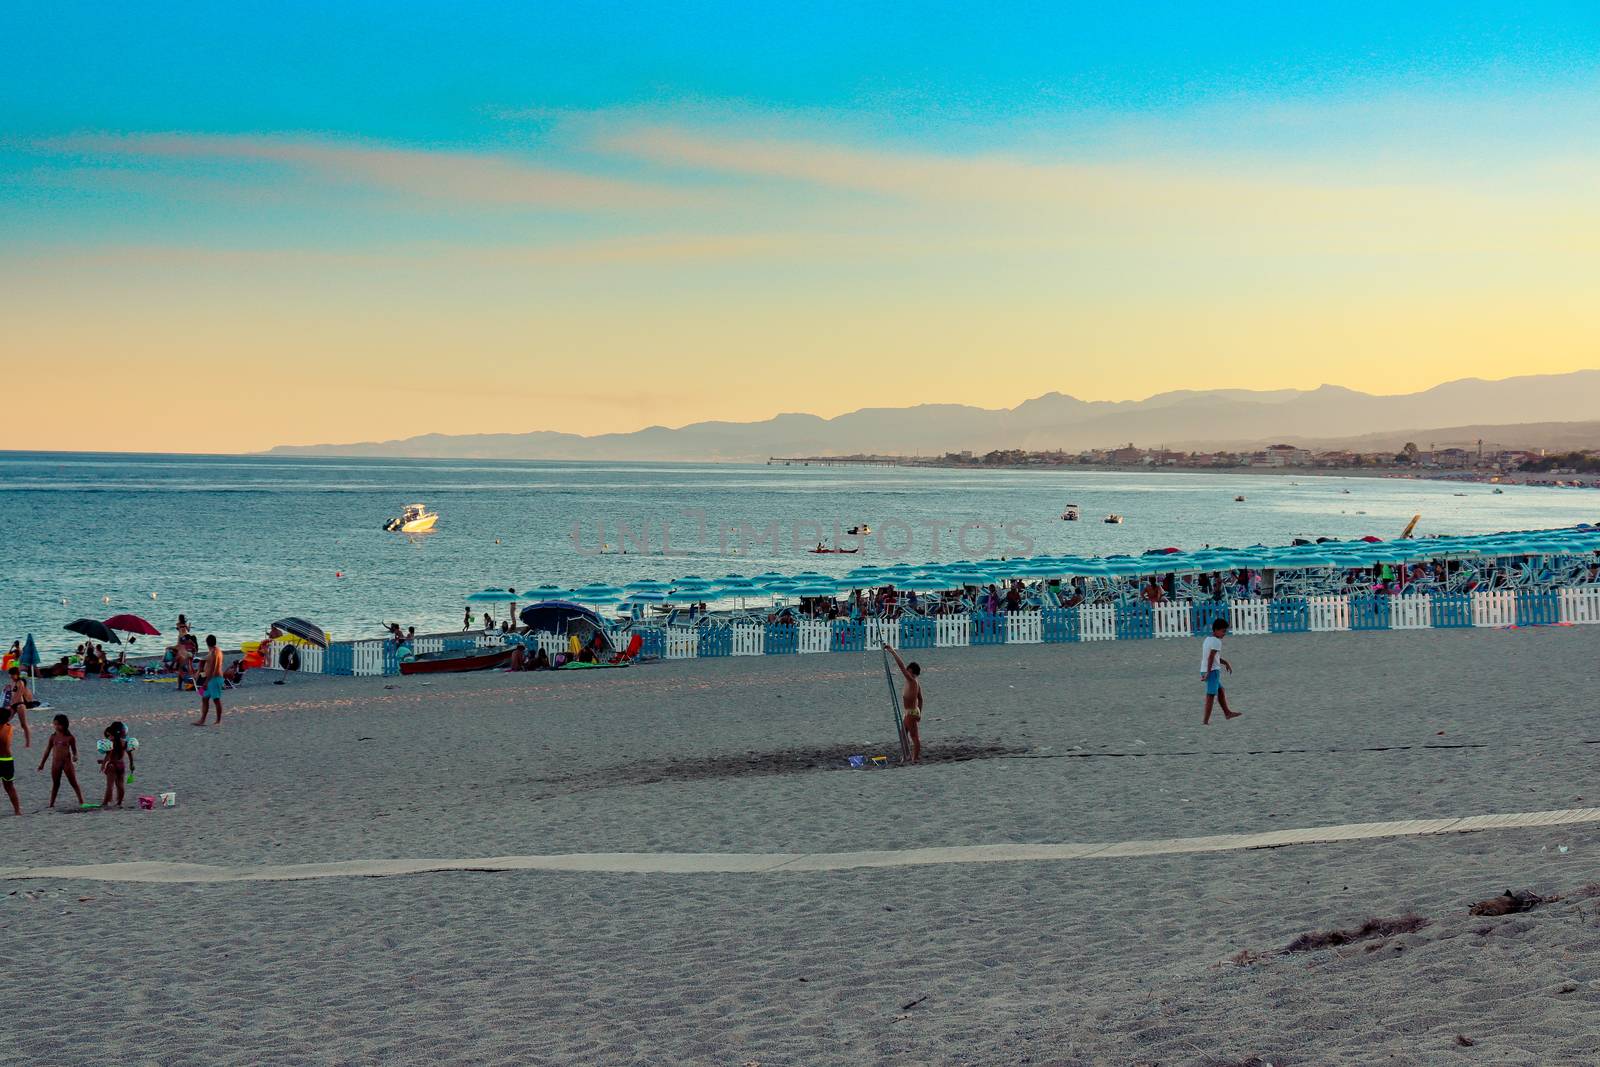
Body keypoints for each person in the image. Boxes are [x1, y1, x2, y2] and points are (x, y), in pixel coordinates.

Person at [884, 644, 923, 764]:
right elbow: (921, 699)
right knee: (903, 735)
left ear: (911, 671)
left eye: (908, 670)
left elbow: (901, 666)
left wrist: (892, 651)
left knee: (914, 737)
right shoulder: (914, 681)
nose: (906, 671)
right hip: (912, 712)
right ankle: (906, 756)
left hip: (911, 712)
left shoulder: (912, 680)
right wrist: (920, 713)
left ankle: (914, 759)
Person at [36, 713, 83, 808]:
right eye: (55, 724)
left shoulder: (70, 737)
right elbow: (47, 751)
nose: (56, 727)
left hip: (67, 763)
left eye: (59, 724)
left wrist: (75, 756)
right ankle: (51, 804)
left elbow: (74, 750)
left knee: (73, 782)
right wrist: (42, 764)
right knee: (56, 784)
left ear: (64, 725)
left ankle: (81, 801)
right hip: (55, 763)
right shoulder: (53, 737)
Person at [1200, 618, 1240, 725]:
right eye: (1223, 631)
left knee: (1221, 690)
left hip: (1206, 669)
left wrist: (1225, 662)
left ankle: (1227, 713)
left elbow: (1214, 657)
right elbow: (1211, 658)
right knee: (1210, 695)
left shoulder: (1208, 639)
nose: (1224, 634)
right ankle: (1205, 721)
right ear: (1216, 630)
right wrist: (1208, 673)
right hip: (1212, 671)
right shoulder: (1217, 641)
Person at [99, 721, 133, 808]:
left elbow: (108, 755)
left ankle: (105, 803)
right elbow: (129, 753)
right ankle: (119, 803)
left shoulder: (110, 742)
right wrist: (131, 765)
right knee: (120, 785)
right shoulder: (124, 742)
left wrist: (103, 765)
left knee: (109, 786)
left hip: (112, 765)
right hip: (121, 765)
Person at [194, 634, 225, 726]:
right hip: (211, 679)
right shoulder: (216, 651)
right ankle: (202, 719)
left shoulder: (214, 653)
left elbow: (213, 669)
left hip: (213, 679)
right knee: (204, 698)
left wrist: (206, 682)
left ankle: (218, 721)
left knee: (216, 699)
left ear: (207, 643)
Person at [5, 665, 35, 747]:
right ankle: (5, 738)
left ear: (17, 674)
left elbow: (19, 694)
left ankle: (28, 743)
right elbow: (12, 692)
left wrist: (10, 704)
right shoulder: (13, 682)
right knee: (4, 721)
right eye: (10, 674)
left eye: (12, 674)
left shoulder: (20, 682)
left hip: (20, 705)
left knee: (23, 724)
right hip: (13, 705)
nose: (11, 676)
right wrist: (7, 688)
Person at [0, 708, 18, 815]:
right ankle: (17, 811)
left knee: (9, 787)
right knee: (10, 787)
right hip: (7, 760)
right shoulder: (10, 728)